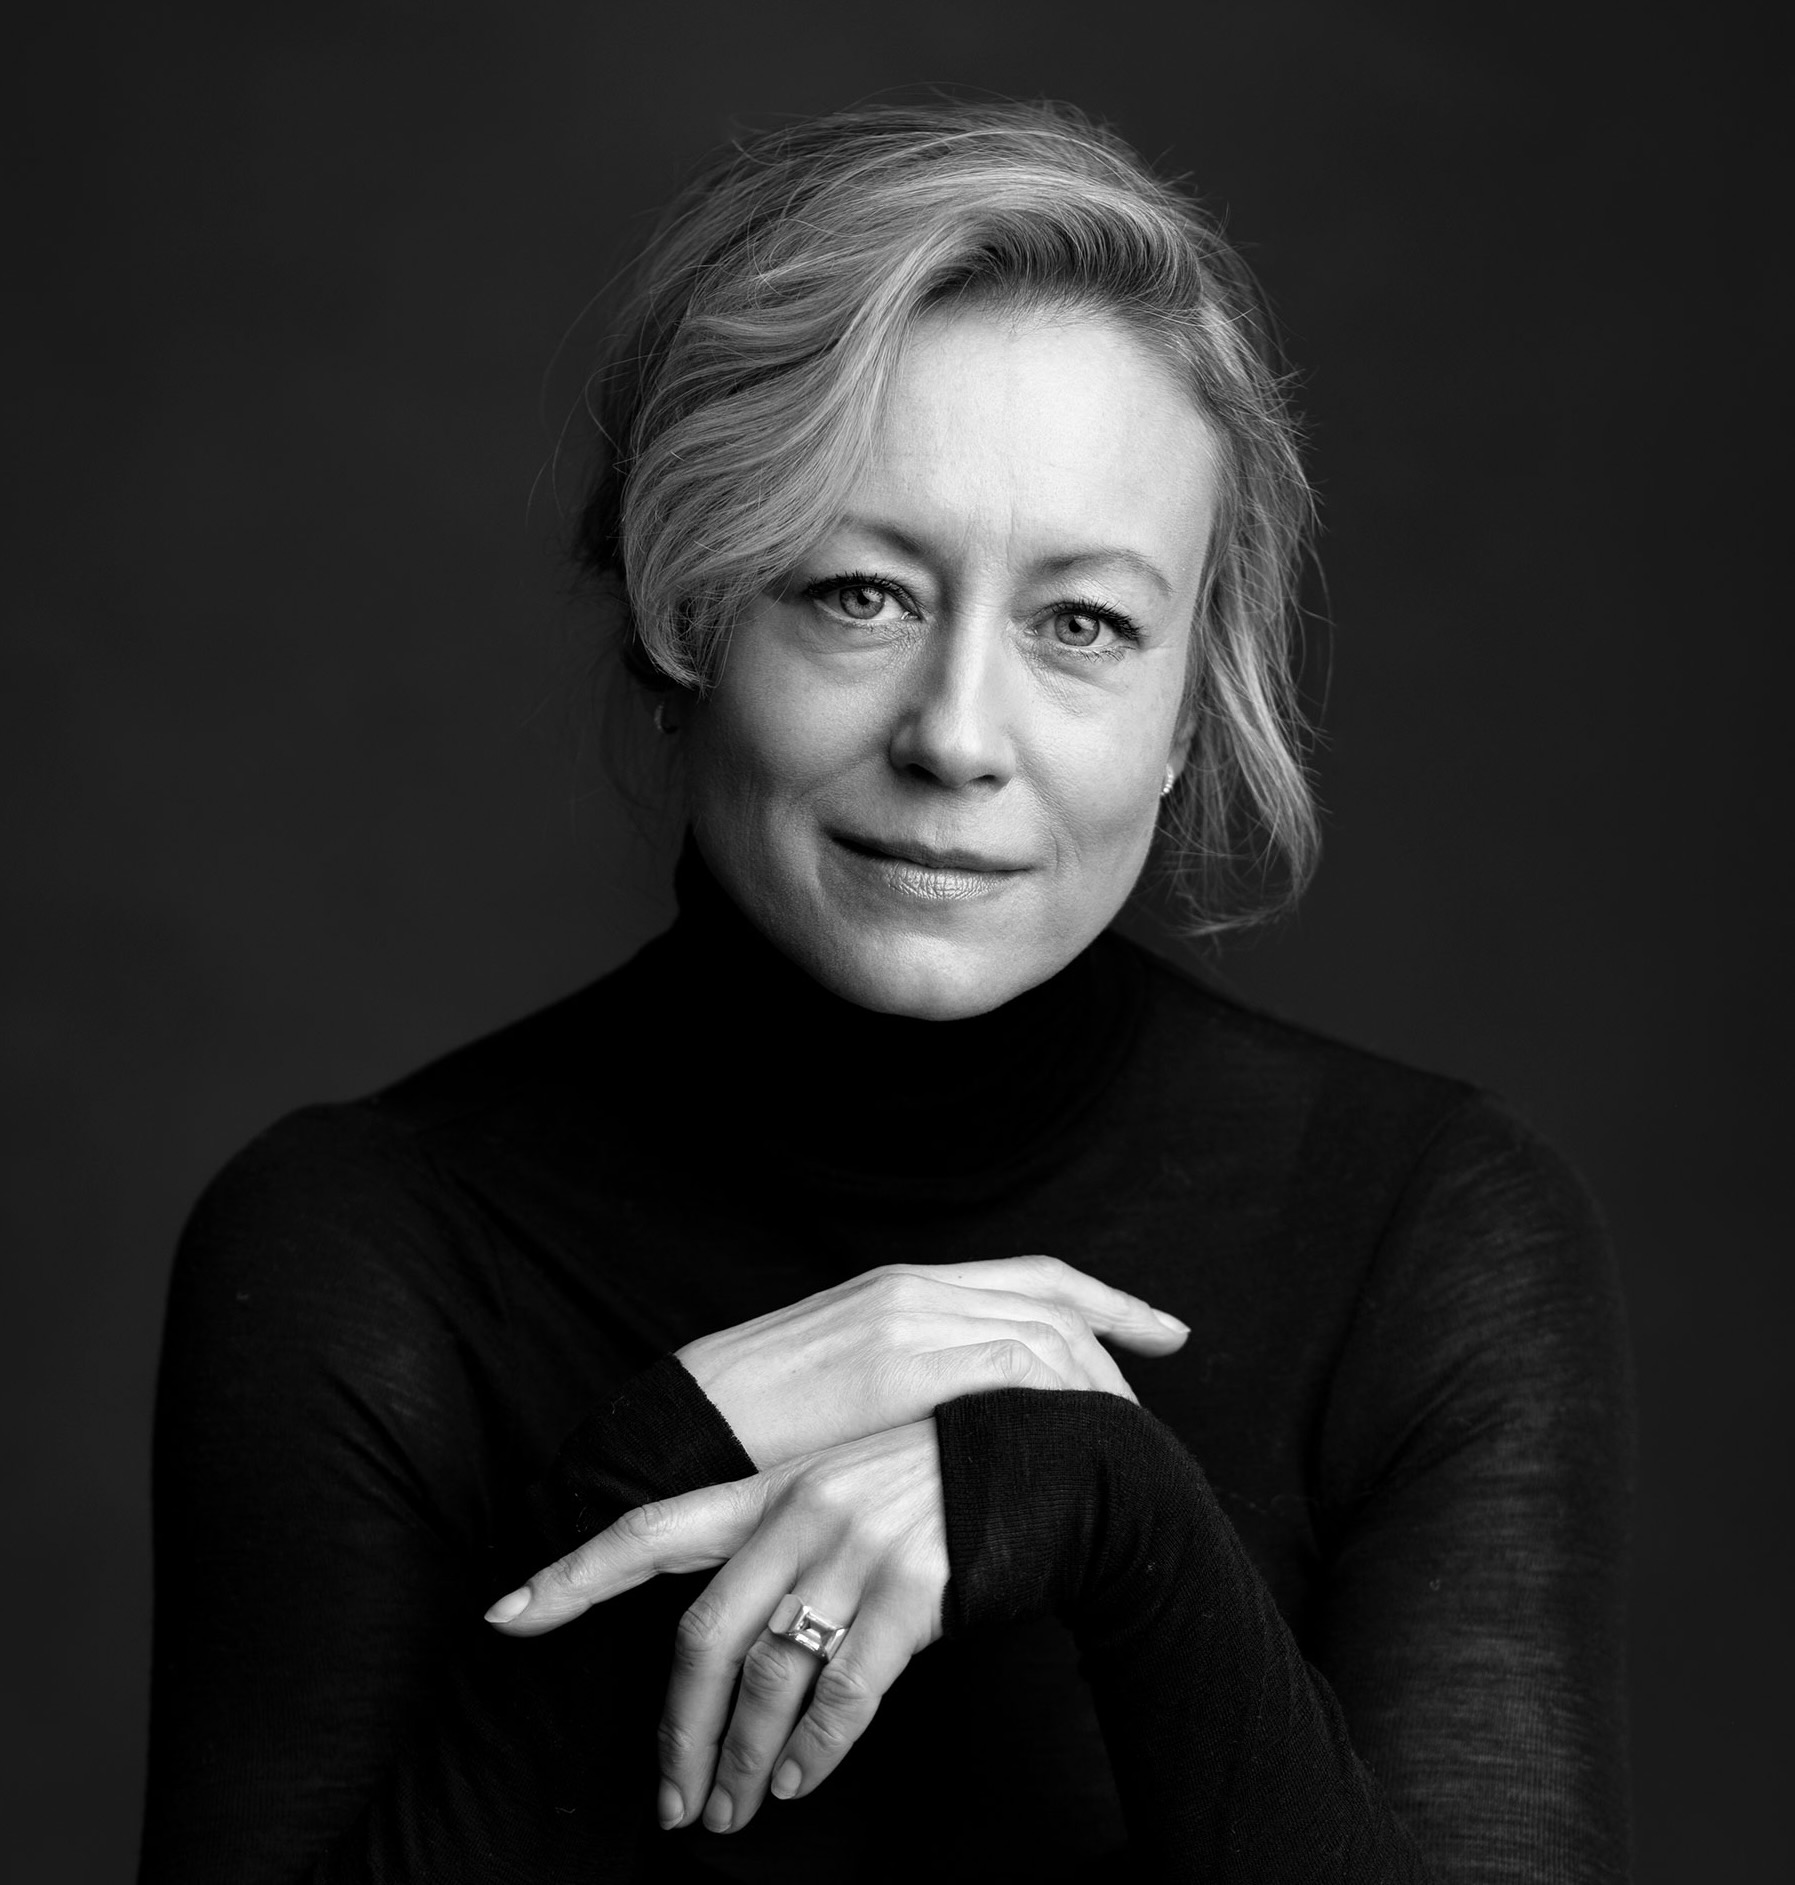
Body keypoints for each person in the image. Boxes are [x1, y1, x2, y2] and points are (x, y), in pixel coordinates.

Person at [138, 100, 1633, 1882]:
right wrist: (667, 1459)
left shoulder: (1427, 1232)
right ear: (688, 617)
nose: (957, 736)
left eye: (1083, 624)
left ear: (1187, 711)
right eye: (860, 593)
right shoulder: (358, 1249)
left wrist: (1109, 1507)